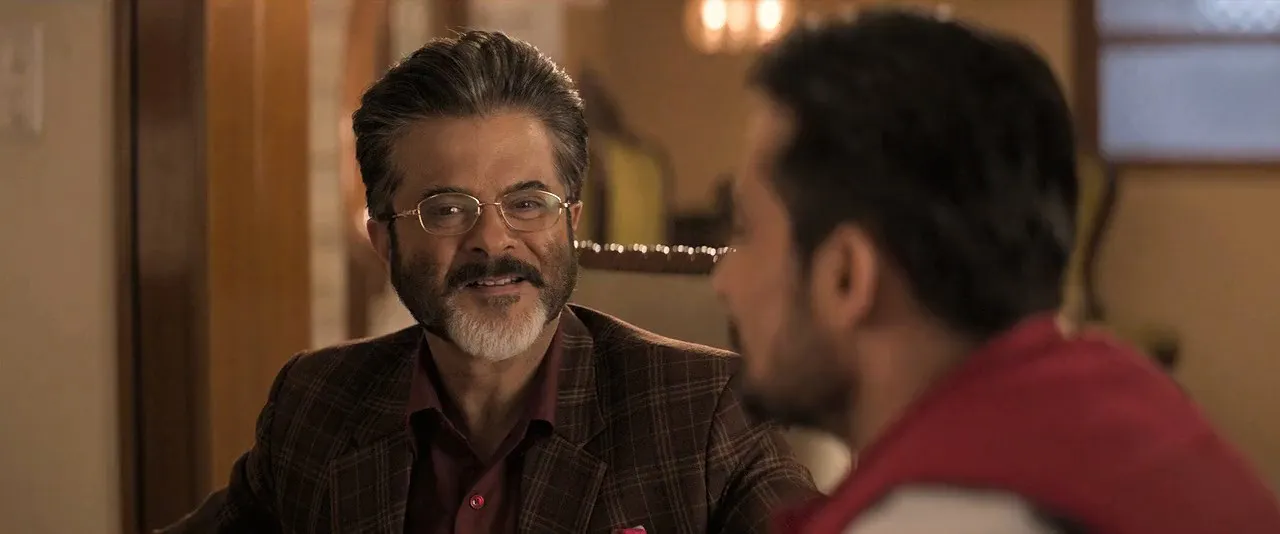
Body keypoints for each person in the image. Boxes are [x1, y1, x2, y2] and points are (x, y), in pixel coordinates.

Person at [161, 30, 816, 534]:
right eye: (447, 209)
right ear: (384, 241)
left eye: (527, 203)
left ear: (571, 224)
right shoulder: (315, 404)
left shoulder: (707, 414)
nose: (493, 241)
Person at [711, 8, 1280, 534]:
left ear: (846, 276)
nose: (723, 281)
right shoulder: (1133, 418)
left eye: (744, 231)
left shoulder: (946, 517)